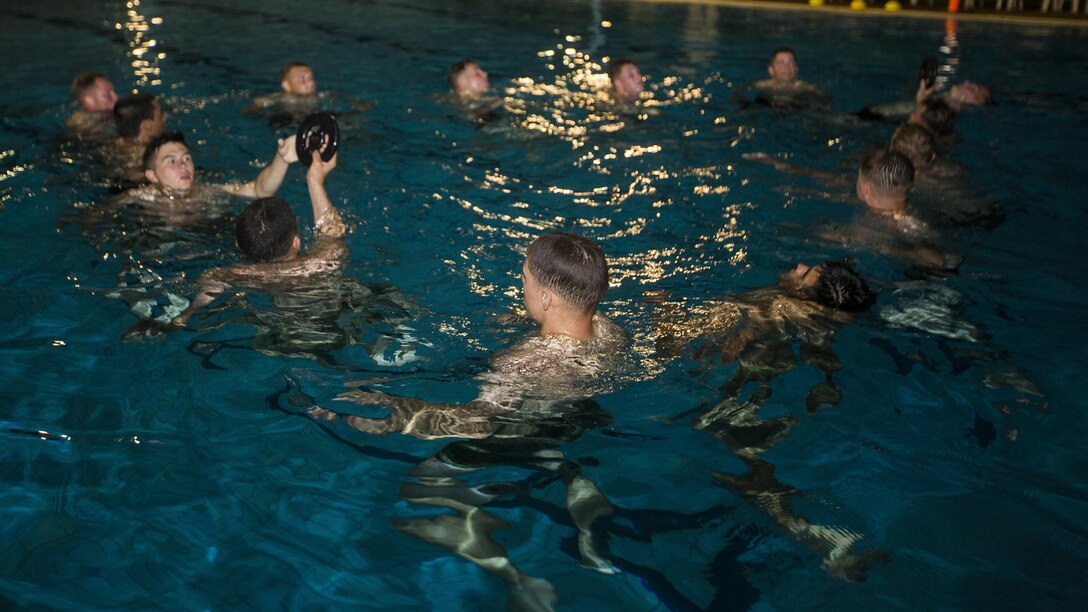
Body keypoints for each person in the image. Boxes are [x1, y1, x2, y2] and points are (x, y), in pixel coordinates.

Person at [309, 232, 627, 610]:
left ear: (546, 298)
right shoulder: (610, 333)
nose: (520, 283)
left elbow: (475, 423)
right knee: (550, 452)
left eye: (525, 277)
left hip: (513, 432)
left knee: (419, 488)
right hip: (573, 424)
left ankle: (512, 572)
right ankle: (573, 484)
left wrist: (384, 410)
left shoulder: (523, 363)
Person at [653, 260, 880, 581]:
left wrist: (659, 306)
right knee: (752, 467)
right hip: (774, 381)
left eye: (807, 273)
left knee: (745, 473)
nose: (799, 266)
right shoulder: (820, 318)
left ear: (808, 294)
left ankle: (816, 536)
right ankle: (821, 536)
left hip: (742, 386)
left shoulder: (772, 306)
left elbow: (705, 349)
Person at [109, 93, 167, 184]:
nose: (165, 117)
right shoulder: (145, 154)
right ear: (147, 125)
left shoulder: (113, 147)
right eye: (160, 114)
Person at [749, 47, 829, 110]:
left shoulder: (807, 88)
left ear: (796, 69)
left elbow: (826, 100)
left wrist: (820, 109)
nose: (787, 67)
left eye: (791, 63)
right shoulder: (760, 86)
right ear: (771, 70)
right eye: (781, 63)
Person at [66, 72, 118, 139]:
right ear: (89, 101)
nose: (116, 97)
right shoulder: (88, 126)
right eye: (106, 95)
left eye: (114, 91)